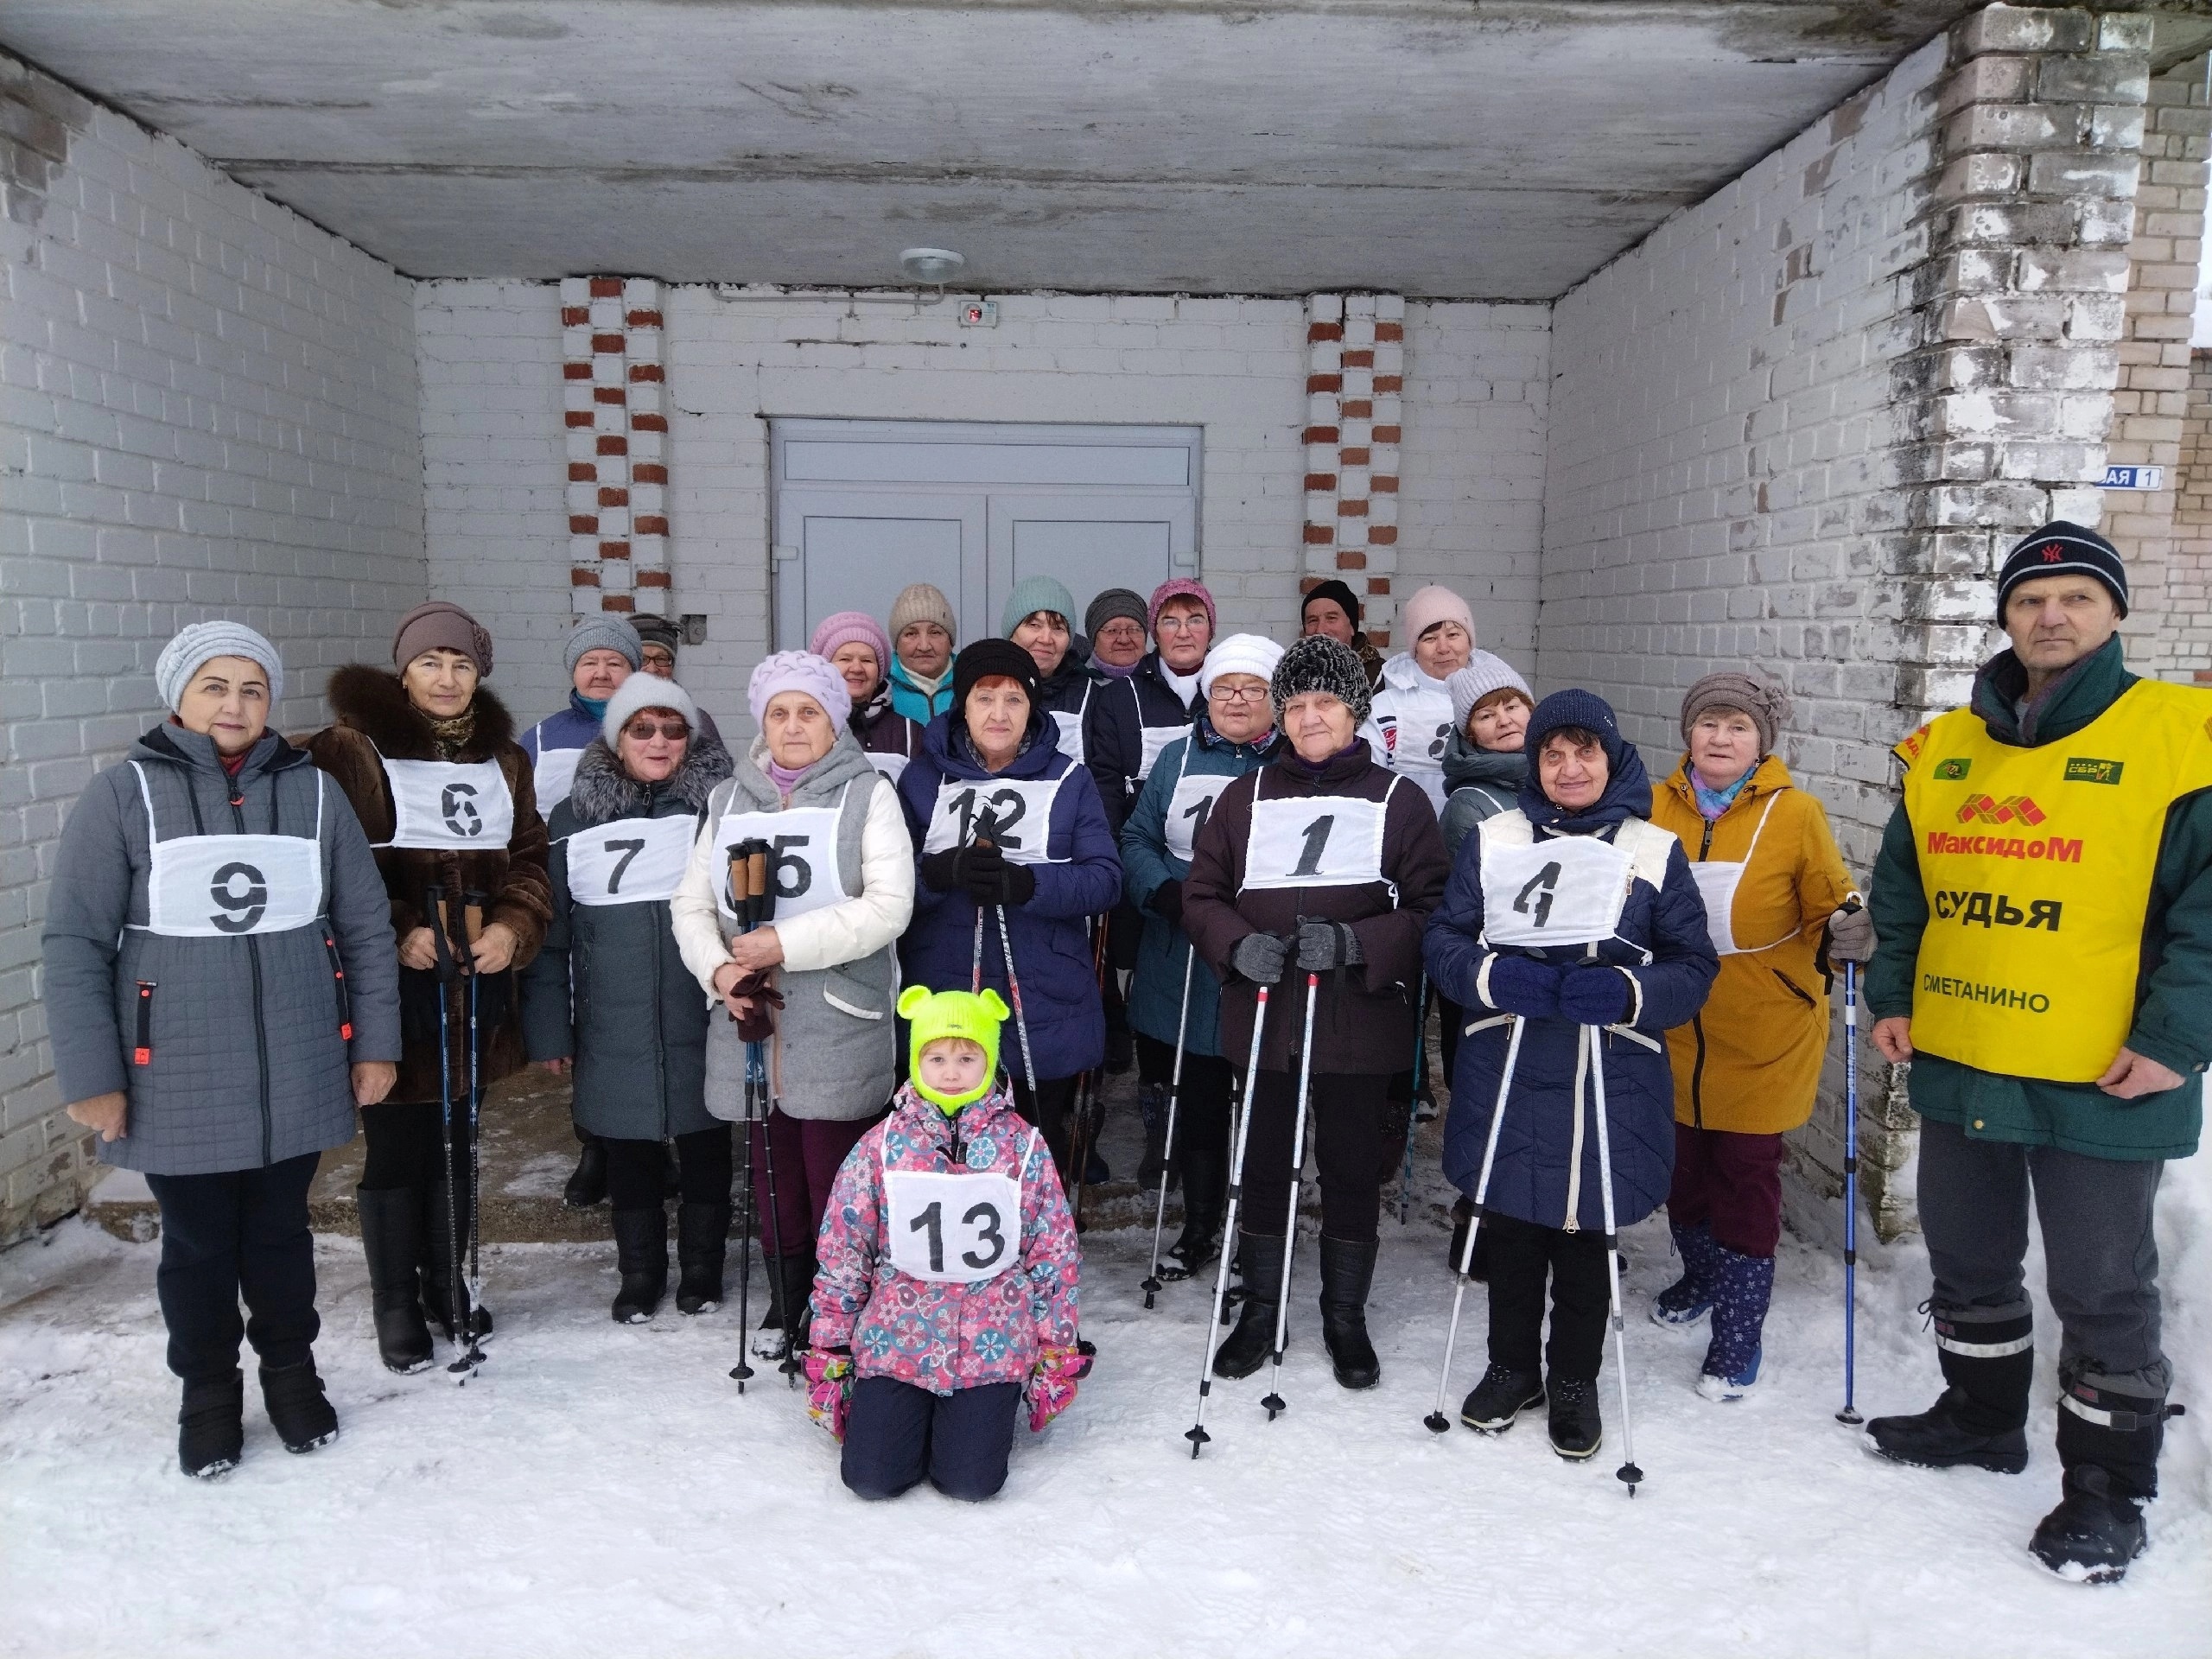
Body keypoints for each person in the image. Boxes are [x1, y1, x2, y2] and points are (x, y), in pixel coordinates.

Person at [1861, 523, 2212, 1584]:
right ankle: (1979, 1418)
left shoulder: (2176, 737)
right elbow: (1903, 888)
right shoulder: (1945, 749)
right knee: (1966, 1258)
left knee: (2103, 1285)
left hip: (2105, 1074)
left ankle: (2107, 1491)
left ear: (2112, 614)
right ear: (2004, 615)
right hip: (1968, 1050)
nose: (2050, 618)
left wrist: (2174, 1040)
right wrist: (1891, 993)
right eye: (2030, 600)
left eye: (2075, 600)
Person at [43, 623, 402, 1477]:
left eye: (252, 689)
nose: (234, 705)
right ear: (179, 697)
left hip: (299, 1061)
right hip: (174, 1071)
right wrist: (94, 1075)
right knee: (200, 1246)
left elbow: (362, 926)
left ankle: (289, 1372)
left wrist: (375, 1044)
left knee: (280, 1235)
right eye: (215, 686)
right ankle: (207, 1392)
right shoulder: (122, 794)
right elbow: (75, 943)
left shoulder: (313, 794)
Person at [1423, 690, 1718, 1459]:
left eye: (1584, 751)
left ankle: (1576, 1378)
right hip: (1512, 1057)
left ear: (1612, 758)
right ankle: (1512, 1365)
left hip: (1606, 1069)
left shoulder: (1652, 848)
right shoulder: (1495, 838)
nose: (1568, 766)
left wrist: (1631, 992)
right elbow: (1445, 941)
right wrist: (1489, 978)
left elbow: (1694, 966)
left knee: (1587, 1231)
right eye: (1552, 753)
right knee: (1513, 1225)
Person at [1183, 635, 1450, 1390]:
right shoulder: (1248, 796)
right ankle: (1262, 1310)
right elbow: (1201, 894)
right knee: (1263, 1162)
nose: (1308, 718)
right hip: (1266, 1017)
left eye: (1324, 702)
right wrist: (1235, 946)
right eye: (1294, 705)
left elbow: (1435, 907)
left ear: (1355, 712)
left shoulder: (1400, 800)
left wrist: (1359, 943)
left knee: (1351, 1167)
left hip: (1356, 1021)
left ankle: (1345, 1314)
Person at [308, 602, 552, 1366]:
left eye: (462, 665)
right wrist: (398, 924)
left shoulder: (504, 758)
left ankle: (449, 1281)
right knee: (398, 1144)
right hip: (399, 981)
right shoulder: (351, 749)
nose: (447, 679)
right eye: (430, 663)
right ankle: (396, 1303)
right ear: (402, 669)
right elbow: (328, 860)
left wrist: (514, 927)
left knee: (459, 1139)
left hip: (477, 983)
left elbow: (530, 855)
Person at [672, 651, 915, 1359]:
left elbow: (888, 906)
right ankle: (788, 1297)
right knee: (773, 1171)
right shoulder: (727, 799)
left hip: (837, 1016)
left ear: (834, 719)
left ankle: (842, 1302)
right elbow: (689, 903)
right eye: (779, 712)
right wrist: (719, 970)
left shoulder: (867, 794)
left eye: (808, 711)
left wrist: (783, 942)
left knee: (831, 1171)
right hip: (750, 1017)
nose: (793, 725)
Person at [1645, 672, 1866, 1400]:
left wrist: (1846, 931)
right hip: (1674, 1025)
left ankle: (1738, 1333)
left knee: (1745, 1179)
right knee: (1680, 1170)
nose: (1721, 737)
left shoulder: (1796, 813)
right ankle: (1702, 1276)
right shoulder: (1650, 805)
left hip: (1763, 1028)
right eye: (1709, 722)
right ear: (1688, 732)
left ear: (1761, 742)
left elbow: (1827, 908)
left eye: (1738, 726)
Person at [804, 987, 1082, 1502]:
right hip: (896, 1339)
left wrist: (1055, 1344)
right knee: (870, 1479)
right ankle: (898, 1415)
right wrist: (831, 1342)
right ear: (915, 1060)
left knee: (971, 1483)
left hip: (989, 1342)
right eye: (935, 1057)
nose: (950, 1071)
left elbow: (1054, 1253)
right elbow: (845, 1250)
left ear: (990, 1060)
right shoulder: (881, 1146)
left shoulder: (1025, 1149)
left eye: (966, 1057)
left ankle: (976, 1419)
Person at [520, 674, 734, 1323]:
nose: (660, 740)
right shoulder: (570, 819)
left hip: (701, 1011)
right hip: (611, 1020)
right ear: (615, 740)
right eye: (642, 728)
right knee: (628, 1152)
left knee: (706, 1147)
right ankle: (640, 1273)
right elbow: (551, 938)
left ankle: (702, 1268)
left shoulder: (718, 809)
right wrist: (551, 1029)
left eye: (673, 729)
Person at [897, 639, 1122, 1176]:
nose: (999, 713)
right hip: (947, 987)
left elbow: (1105, 880)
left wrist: (1030, 885)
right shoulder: (922, 779)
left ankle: (1038, 1246)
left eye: (1014, 699)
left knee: (1030, 1150)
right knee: (950, 1152)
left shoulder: (1069, 779)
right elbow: (888, 885)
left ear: (1032, 708)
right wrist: (936, 873)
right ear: (963, 706)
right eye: (984, 697)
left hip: (1042, 992)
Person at [1118, 632, 1283, 1277]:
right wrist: (1159, 890)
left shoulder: (1291, 761)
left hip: (1263, 954)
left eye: (1253, 689)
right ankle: (1202, 1223)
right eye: (1224, 687)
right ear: (1206, 695)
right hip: (1184, 953)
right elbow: (1138, 835)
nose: (1237, 699)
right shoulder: (1178, 756)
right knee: (1201, 1100)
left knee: (1263, 1104)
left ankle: (1258, 1234)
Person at [1087, 577, 1218, 1108]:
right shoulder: (1119, 696)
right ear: (1154, 633)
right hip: (1149, 870)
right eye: (1170, 620)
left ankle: (1212, 1101)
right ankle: (1157, 1106)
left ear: (1212, 628)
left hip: (1223, 873)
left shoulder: (1236, 687)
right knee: (1152, 983)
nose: (1183, 631)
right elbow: (1105, 779)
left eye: (1195, 619)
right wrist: (1129, 864)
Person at [1370, 584, 1478, 820]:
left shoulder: (1502, 699)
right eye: (1430, 638)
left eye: (1453, 635)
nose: (1443, 648)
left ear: (1469, 641)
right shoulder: (1385, 709)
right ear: (1415, 649)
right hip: (1406, 837)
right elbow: (1368, 781)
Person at [518, 616, 641, 815]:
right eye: (589, 663)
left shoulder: (656, 734)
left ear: (632, 672)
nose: (601, 674)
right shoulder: (539, 739)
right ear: (573, 671)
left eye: (614, 664)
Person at [1438, 654, 1535, 856]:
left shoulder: (1562, 776)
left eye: (1512, 707)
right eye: (1487, 716)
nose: (1504, 721)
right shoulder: (1466, 808)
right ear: (1470, 734)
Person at [812, 610, 923, 783]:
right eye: (845, 659)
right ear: (824, 670)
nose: (856, 668)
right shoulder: (803, 729)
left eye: (867, 660)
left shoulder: (909, 733)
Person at [1001, 575, 1101, 765]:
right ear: (1012, 632)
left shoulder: (1090, 696)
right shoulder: (981, 688)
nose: (1046, 639)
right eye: (1034, 625)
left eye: (1058, 628)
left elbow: (1104, 776)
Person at [632, 614, 725, 747]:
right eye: (642, 659)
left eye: (662, 659)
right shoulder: (608, 719)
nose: (652, 669)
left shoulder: (698, 721)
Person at [888, 582, 957, 725]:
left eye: (935, 632)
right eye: (911, 633)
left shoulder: (973, 685)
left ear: (950, 642)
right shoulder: (880, 689)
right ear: (896, 644)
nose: (924, 646)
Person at [1300, 578, 1384, 689]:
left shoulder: (1383, 677)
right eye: (1313, 620)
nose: (1320, 630)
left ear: (1351, 627)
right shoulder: (1294, 674)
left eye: (1331, 618)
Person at [1084, 588, 1150, 680]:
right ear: (1094, 639)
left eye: (1134, 629)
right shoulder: (1071, 684)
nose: (1124, 640)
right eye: (1112, 630)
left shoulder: (1166, 682)